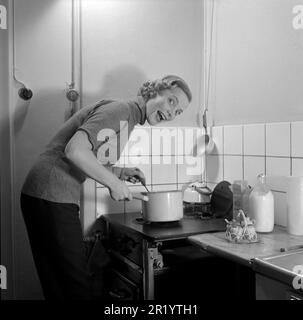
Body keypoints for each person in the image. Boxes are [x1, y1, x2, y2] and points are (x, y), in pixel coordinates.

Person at [20, 75, 192, 300]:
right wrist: (114, 184)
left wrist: (120, 172)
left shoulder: (130, 117)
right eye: (171, 101)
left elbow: (90, 156)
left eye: (178, 112)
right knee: (75, 286)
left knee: (58, 283)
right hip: (51, 191)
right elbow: (75, 151)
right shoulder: (120, 110)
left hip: (45, 192)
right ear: (155, 91)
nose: (172, 113)